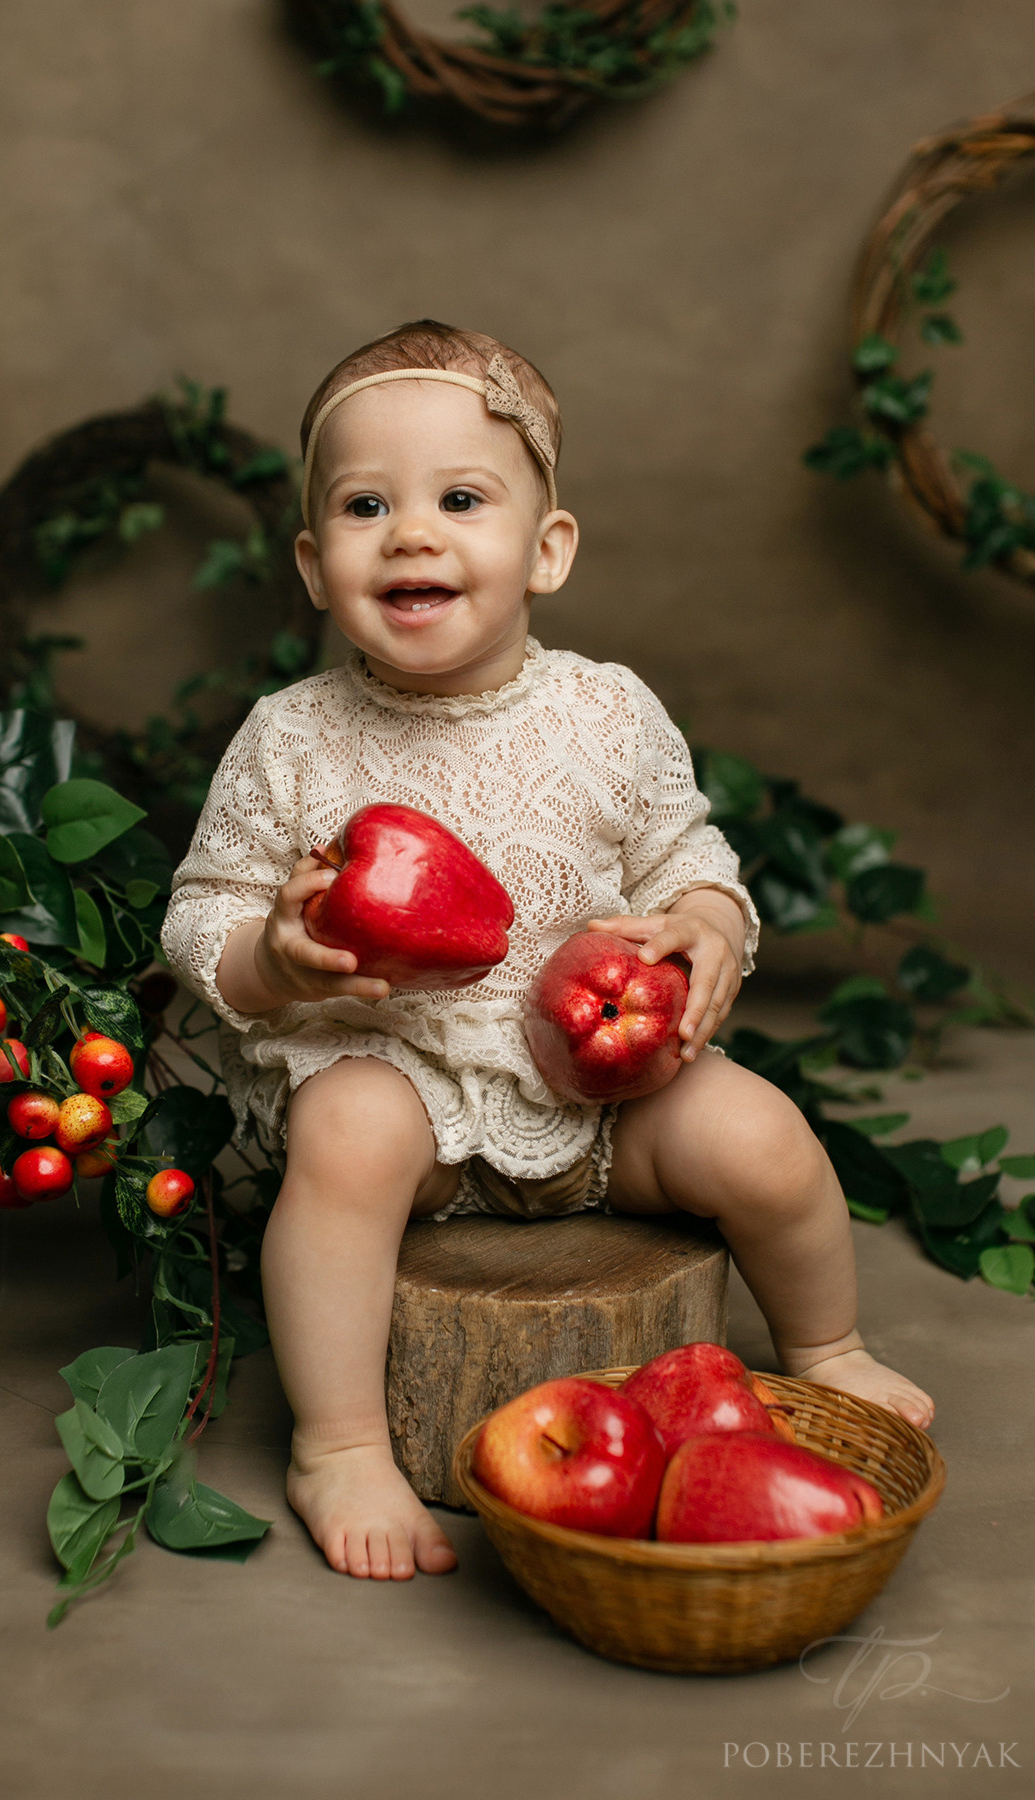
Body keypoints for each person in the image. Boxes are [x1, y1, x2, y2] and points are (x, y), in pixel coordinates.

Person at [160, 320, 933, 1584]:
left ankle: (831, 1346)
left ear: (548, 548)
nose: (412, 533)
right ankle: (342, 1440)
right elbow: (199, 916)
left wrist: (708, 928)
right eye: (366, 506)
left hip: (599, 1095)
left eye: (462, 498)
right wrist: (278, 960)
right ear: (312, 563)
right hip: (402, 1094)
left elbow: (693, 858)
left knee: (763, 1138)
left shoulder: (605, 712)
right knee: (348, 1134)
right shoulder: (291, 738)